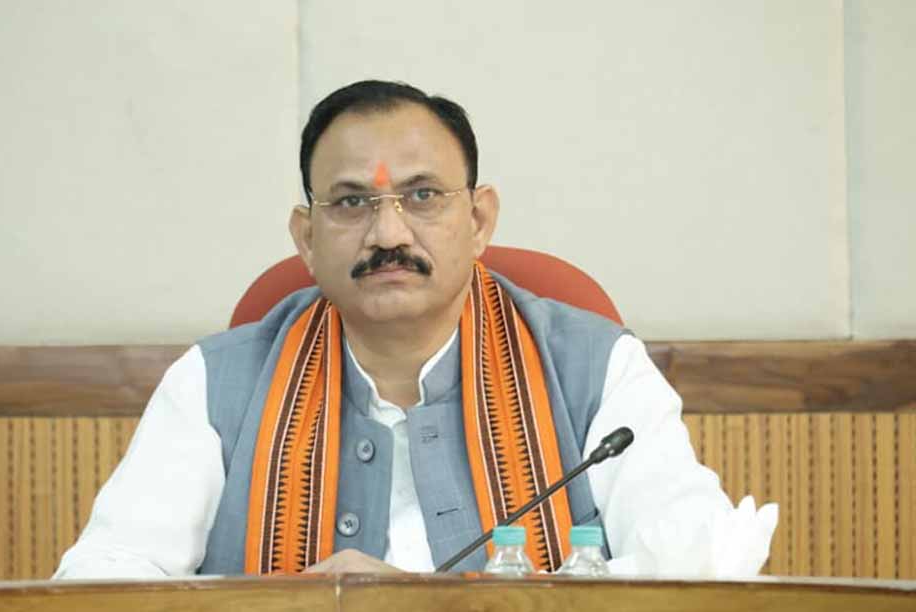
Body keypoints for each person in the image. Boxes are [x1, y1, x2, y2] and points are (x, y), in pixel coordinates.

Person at [54, 80, 776, 579]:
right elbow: (102, 578)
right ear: (306, 238)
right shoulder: (216, 383)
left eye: (422, 196)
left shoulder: (595, 367)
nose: (388, 233)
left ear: (479, 219)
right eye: (351, 203)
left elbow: (698, 557)